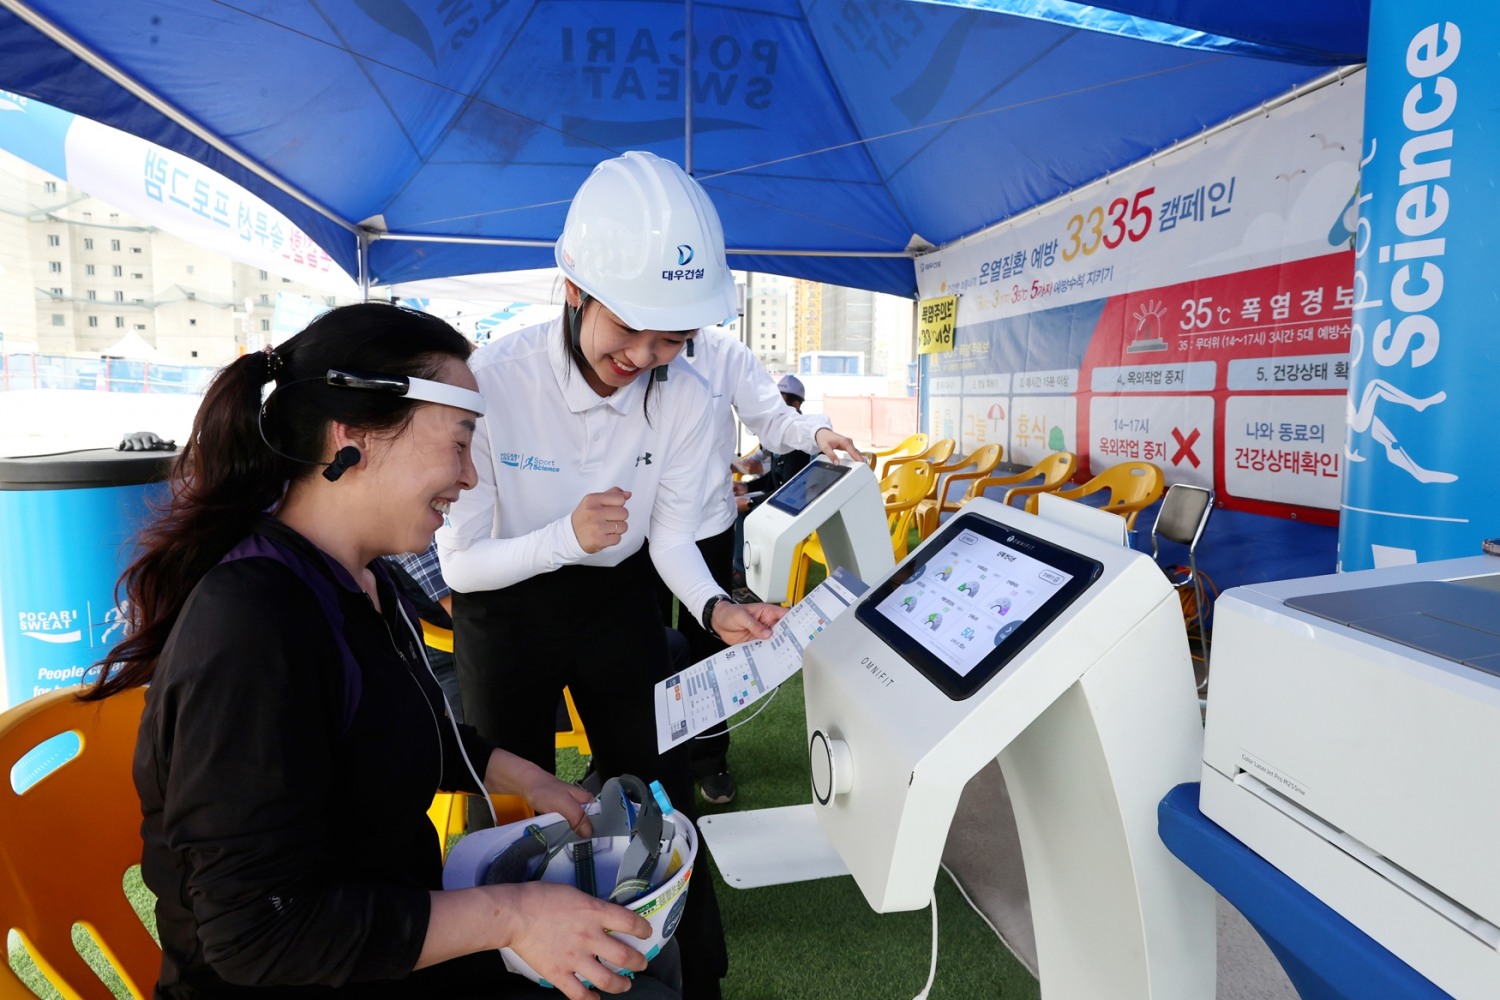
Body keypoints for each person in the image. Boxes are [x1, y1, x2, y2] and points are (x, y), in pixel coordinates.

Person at [83, 302, 679, 1000]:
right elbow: (256, 935)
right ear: (356, 435)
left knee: (639, 960)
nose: (469, 477)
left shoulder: (370, 580)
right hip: (317, 967)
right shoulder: (252, 624)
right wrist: (513, 917)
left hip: (393, 942)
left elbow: (385, 732)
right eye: (459, 441)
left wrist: (528, 777)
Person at [436, 150, 785, 1000]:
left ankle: (692, 972)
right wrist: (565, 536)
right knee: (507, 797)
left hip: (620, 601)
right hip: (504, 606)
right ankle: (510, 970)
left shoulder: (689, 393)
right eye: (628, 326)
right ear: (572, 289)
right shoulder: (491, 381)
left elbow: (669, 537)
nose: (645, 354)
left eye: (672, 337)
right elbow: (460, 564)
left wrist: (711, 604)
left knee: (660, 786)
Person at [654, 338, 863, 804]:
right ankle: (639, 756)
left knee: (711, 642)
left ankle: (708, 757)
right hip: (636, 536)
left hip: (706, 523)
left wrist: (816, 435)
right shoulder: (625, 353)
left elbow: (772, 416)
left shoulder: (723, 354)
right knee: (641, 645)